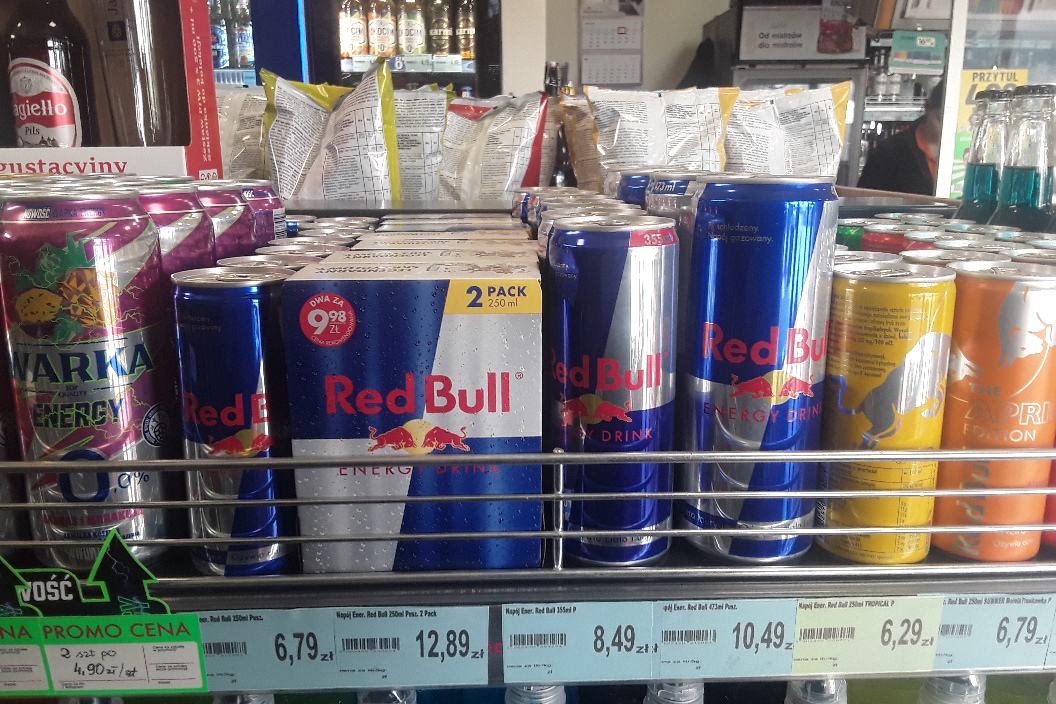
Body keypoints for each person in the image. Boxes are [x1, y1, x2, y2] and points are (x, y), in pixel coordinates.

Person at [857, 81, 944, 195]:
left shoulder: (964, 154)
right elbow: (863, 198)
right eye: (940, 119)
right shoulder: (891, 151)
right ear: (928, 108)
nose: (946, 127)